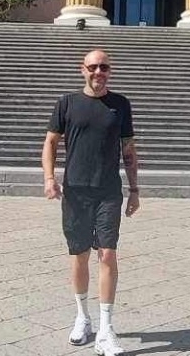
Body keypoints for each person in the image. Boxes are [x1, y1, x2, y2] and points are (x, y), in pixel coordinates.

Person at [42, 49, 140, 356]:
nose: (99, 72)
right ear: (82, 69)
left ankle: (106, 329)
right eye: (93, 66)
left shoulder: (120, 104)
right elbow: (50, 142)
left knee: (107, 254)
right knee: (80, 255)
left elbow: (128, 149)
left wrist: (135, 189)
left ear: (110, 71)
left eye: (104, 67)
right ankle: (83, 318)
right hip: (76, 191)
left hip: (108, 191)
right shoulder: (67, 103)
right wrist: (49, 178)